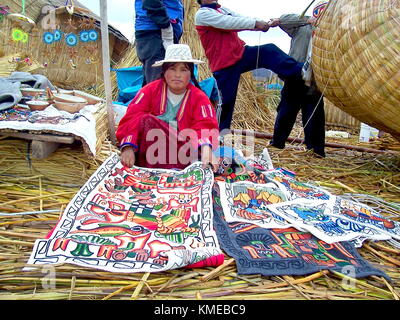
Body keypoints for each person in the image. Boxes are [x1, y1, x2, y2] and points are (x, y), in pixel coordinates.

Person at [194, 0, 304, 132]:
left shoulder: (222, 9)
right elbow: (230, 23)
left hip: (240, 54)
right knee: (226, 104)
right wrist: (256, 24)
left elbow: (240, 17)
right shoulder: (202, 14)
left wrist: (261, 22)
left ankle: (301, 72)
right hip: (224, 65)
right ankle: (219, 136)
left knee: (268, 51)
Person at [116, 44, 220, 171]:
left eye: (183, 70)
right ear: (164, 71)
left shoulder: (199, 98)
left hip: (182, 154)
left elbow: (205, 124)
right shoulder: (149, 91)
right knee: (146, 120)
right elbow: (132, 117)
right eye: (172, 69)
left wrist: (206, 148)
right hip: (150, 153)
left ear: (191, 73)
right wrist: (128, 146)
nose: (177, 75)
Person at [269, 1, 329, 157]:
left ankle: (315, 150)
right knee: (286, 110)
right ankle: (277, 143)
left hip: (316, 78)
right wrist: (307, 20)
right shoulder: (302, 25)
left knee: (314, 113)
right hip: (295, 73)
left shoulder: (330, 31)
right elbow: (283, 19)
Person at [134, 0, 184, 86]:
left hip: (158, 31)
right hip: (157, 31)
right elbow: (151, 2)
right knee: (158, 86)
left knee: (156, 85)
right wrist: (166, 27)